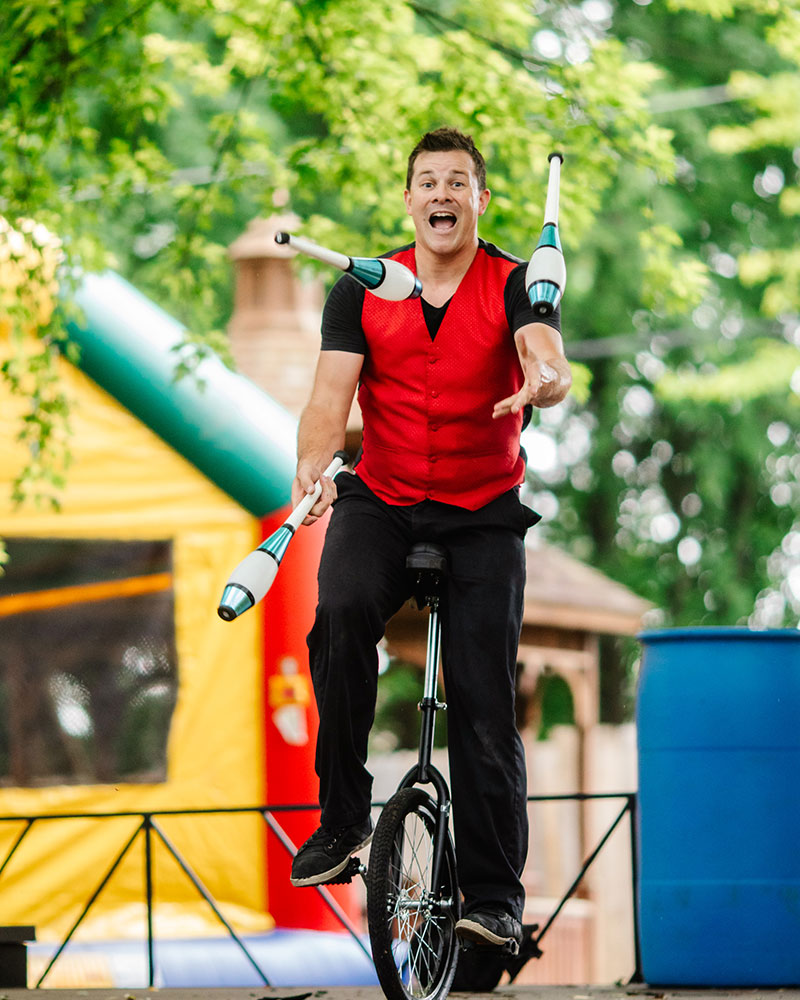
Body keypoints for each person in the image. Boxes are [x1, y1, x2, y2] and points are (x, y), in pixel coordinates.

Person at [288, 126, 571, 955]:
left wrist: (547, 377)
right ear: (408, 199)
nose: (442, 194)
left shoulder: (516, 282)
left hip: (483, 509)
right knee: (337, 615)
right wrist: (311, 470)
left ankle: (494, 901)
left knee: (485, 703)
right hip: (382, 494)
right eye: (427, 181)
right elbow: (326, 399)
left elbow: (540, 347)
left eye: (458, 182)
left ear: (481, 201)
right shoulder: (362, 288)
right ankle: (341, 823)